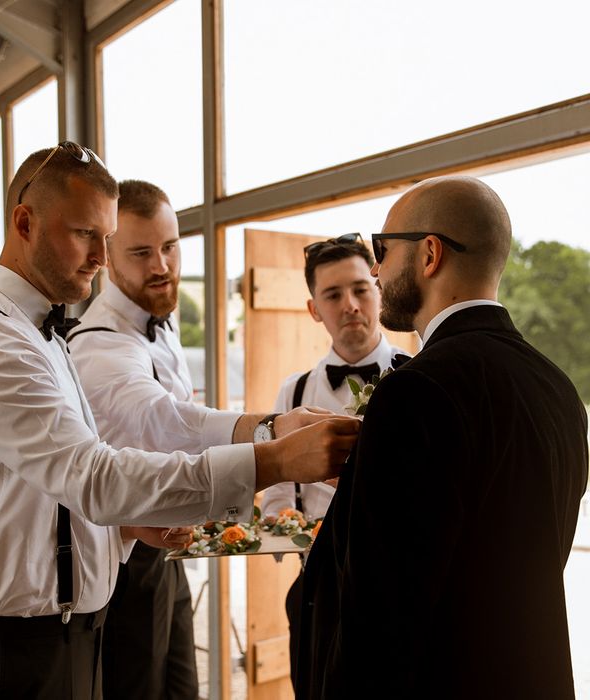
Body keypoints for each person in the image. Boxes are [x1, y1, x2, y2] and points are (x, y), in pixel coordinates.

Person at [0, 143, 360, 700]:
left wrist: (121, 528)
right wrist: (273, 458)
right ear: (24, 222)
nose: (101, 256)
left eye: (106, 236)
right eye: (85, 235)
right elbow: (95, 474)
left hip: (61, 642)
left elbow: (36, 494)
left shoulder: (39, 335)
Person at [296, 175, 589, 699]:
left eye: (382, 250)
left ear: (429, 254)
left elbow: (379, 621)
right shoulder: (558, 388)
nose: (378, 269)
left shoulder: (414, 393)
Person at [70, 179, 330, 698]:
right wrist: (269, 435)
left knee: (182, 687)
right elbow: (161, 419)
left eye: (169, 246)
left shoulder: (159, 322)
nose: (162, 265)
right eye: (141, 252)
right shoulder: (99, 345)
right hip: (124, 554)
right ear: (105, 256)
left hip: (170, 538)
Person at [259, 232, 409, 690]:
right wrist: (281, 527)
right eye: (332, 294)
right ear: (314, 310)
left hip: (398, 591)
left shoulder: (416, 375)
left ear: (378, 290)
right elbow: (280, 493)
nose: (350, 304)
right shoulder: (295, 391)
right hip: (317, 586)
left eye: (361, 288)